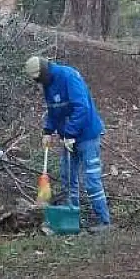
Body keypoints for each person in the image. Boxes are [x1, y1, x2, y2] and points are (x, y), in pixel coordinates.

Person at [24, 56, 112, 233]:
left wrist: (70, 132)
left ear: (44, 71)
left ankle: (104, 221)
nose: (39, 83)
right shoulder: (47, 84)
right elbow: (53, 109)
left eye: (39, 79)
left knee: (91, 179)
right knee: (68, 178)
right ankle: (72, 218)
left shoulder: (69, 76)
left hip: (87, 135)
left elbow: (82, 107)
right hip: (67, 137)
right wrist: (48, 131)